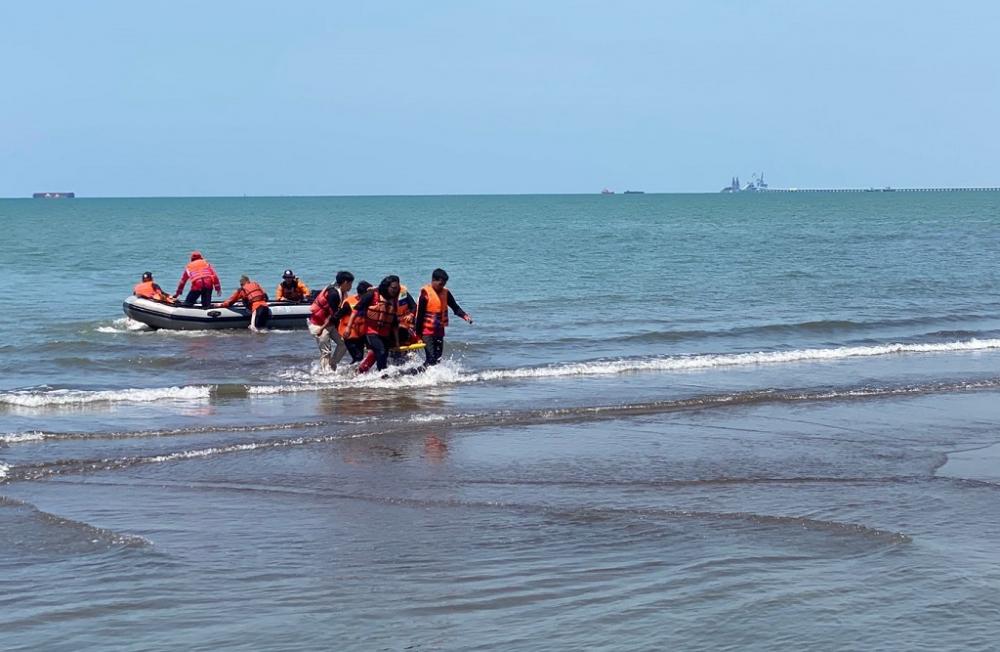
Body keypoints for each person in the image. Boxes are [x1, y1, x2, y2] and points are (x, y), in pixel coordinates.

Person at [414, 268, 473, 366]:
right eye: (440, 284)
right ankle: (415, 375)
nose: (442, 286)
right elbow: (419, 316)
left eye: (444, 284)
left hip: (439, 331)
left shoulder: (446, 293)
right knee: (431, 359)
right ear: (433, 280)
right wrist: (418, 335)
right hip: (426, 332)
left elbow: (455, 307)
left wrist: (465, 316)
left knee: (437, 359)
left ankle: (428, 378)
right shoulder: (425, 294)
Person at [345, 275, 402, 373]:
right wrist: (348, 328)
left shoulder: (394, 299)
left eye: (397, 288)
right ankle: (383, 376)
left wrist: (397, 342)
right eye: (393, 288)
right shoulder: (372, 295)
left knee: (379, 354)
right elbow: (356, 310)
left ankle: (360, 371)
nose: (395, 291)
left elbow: (394, 322)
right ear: (387, 286)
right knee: (381, 351)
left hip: (385, 333)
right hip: (371, 332)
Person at [307, 271, 354, 371]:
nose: (351, 286)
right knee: (326, 351)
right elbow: (335, 315)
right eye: (350, 284)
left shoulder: (341, 291)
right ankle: (325, 374)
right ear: (345, 282)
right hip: (318, 324)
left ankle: (332, 365)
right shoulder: (333, 294)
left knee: (343, 344)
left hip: (329, 323)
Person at [339, 280, 371, 363]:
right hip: (349, 334)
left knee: (365, 355)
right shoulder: (349, 303)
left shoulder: (369, 301)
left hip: (361, 334)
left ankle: (356, 372)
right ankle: (351, 374)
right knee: (358, 357)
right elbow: (336, 316)